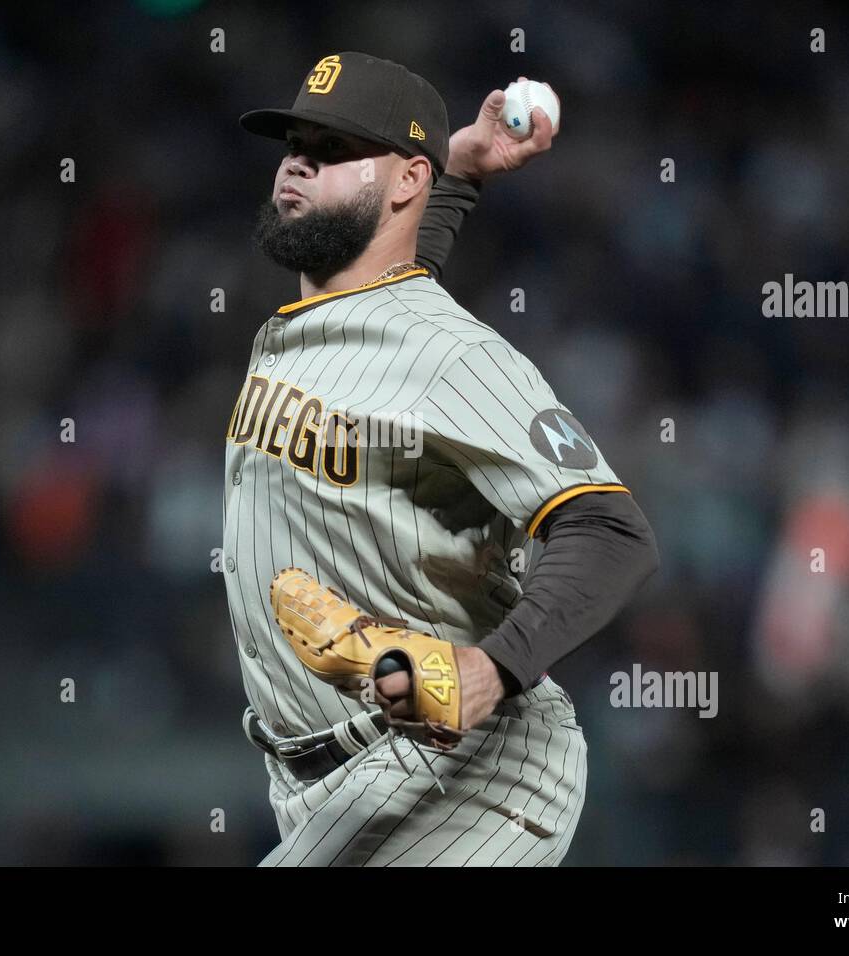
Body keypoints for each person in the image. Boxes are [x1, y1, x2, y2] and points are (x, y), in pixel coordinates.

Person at [225, 52, 659, 866]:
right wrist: (456, 168)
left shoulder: (455, 357)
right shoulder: (327, 317)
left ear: (403, 181)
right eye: (295, 142)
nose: (299, 159)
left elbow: (612, 530)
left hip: (468, 774)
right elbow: (393, 292)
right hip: (334, 782)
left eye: (336, 146)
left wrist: (491, 670)